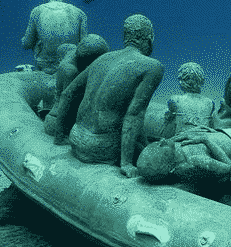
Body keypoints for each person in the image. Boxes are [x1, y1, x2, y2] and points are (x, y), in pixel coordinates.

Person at [54, 14, 164, 178]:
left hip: (75, 138)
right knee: (156, 154)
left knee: (140, 137)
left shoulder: (102, 59)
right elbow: (134, 115)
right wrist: (126, 163)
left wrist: (59, 136)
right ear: (149, 38)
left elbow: (67, 93)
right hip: (101, 149)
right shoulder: (153, 67)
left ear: (125, 37)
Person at [137, 121, 231, 184]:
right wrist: (206, 140)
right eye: (160, 146)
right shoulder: (195, 160)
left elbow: (169, 141)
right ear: (169, 163)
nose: (162, 140)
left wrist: (202, 131)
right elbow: (227, 167)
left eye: (156, 143)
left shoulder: (174, 145)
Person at [44, 35, 109, 135]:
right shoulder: (71, 72)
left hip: (60, 116)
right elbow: (67, 105)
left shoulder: (73, 50)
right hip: (57, 122)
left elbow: (62, 48)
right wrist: (60, 136)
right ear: (90, 63)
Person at [21, 0, 88, 74]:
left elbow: (27, 44)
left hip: (46, 67)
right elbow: (85, 47)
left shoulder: (37, 11)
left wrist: (23, 40)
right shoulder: (80, 13)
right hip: (72, 65)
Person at [162, 62, 216, 138]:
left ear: (182, 80)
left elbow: (168, 120)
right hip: (204, 138)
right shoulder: (210, 102)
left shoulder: (175, 99)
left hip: (182, 139)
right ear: (201, 80)